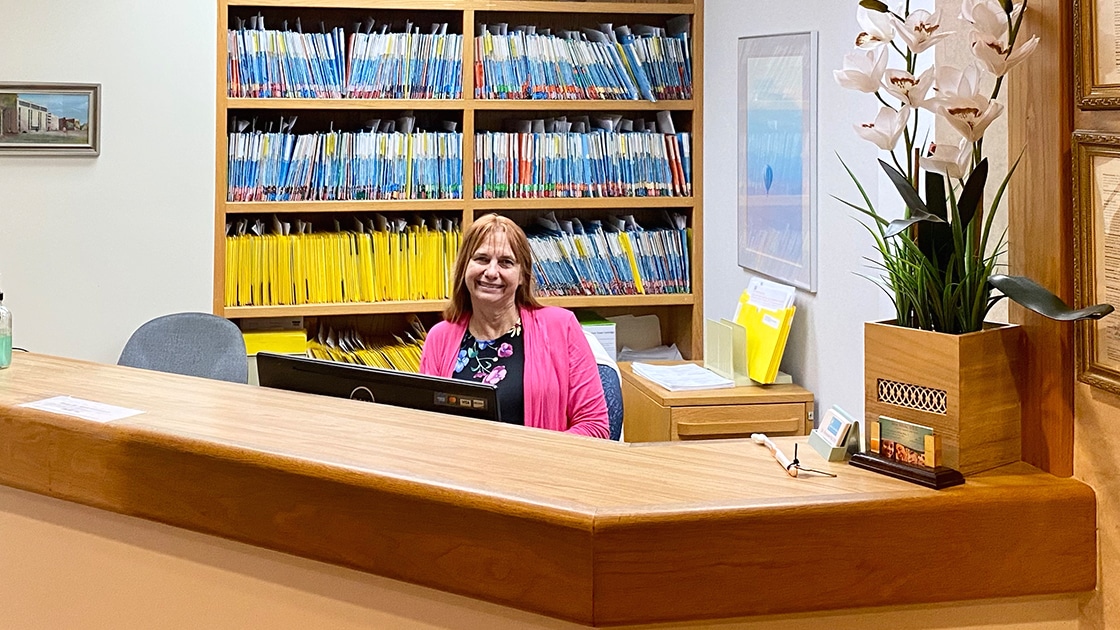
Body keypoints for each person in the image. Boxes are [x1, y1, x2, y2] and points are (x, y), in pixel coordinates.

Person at [420, 214, 609, 438]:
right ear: (464, 268)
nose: (491, 272)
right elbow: (427, 426)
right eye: (481, 259)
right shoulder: (439, 337)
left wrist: (534, 457)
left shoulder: (561, 327)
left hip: (538, 469)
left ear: (522, 276)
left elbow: (594, 425)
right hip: (461, 468)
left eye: (505, 262)